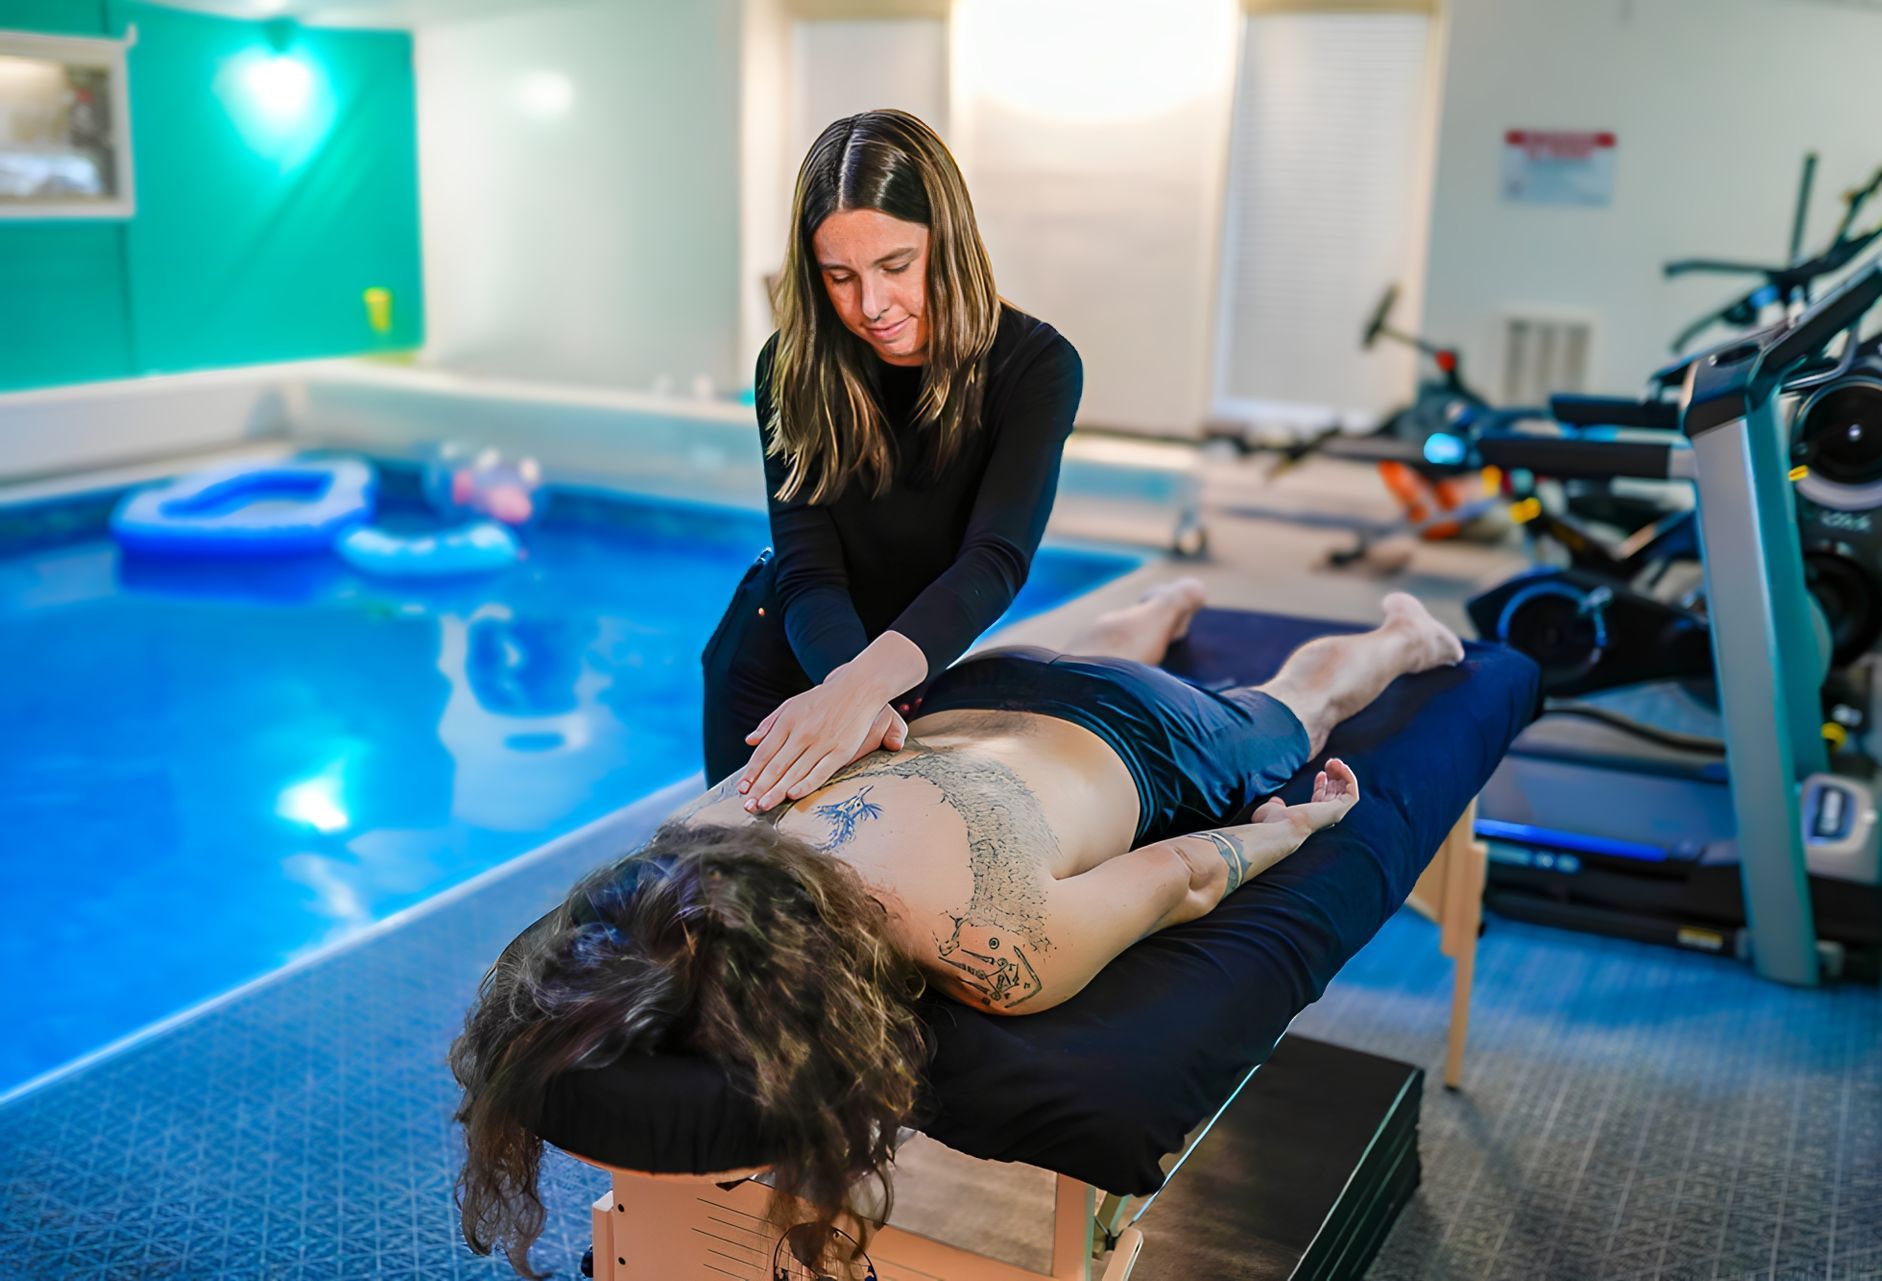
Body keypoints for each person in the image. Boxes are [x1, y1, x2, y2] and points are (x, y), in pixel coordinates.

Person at [451, 585, 1464, 1279]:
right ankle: (1153, 614)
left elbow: (1183, 875)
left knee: (1303, 703)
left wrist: (1291, 830)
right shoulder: (696, 841)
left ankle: (1407, 638)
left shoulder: (998, 949)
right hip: (960, 688)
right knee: (1092, 659)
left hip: (1151, 731)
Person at [703, 108, 1084, 816]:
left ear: (951, 240)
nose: (871, 306)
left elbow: (994, 558)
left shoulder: (1036, 366)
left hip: (896, 673)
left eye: (895, 265)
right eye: (839, 276)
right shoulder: (789, 367)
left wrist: (858, 693)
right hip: (778, 672)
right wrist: (852, 695)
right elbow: (810, 568)